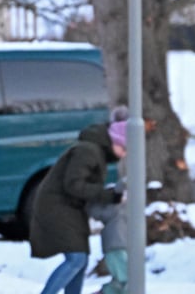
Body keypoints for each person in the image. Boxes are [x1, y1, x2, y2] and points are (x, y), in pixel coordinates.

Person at [30, 120, 127, 294]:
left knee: (80, 262)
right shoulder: (87, 151)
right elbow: (74, 185)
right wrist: (109, 196)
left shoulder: (95, 152)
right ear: (115, 140)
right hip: (58, 208)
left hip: (70, 208)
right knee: (76, 259)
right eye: (124, 148)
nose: (125, 154)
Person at [86, 106, 130, 294]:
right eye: (123, 148)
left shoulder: (123, 202)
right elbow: (95, 210)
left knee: (124, 282)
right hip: (115, 245)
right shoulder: (113, 205)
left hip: (122, 244)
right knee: (125, 282)